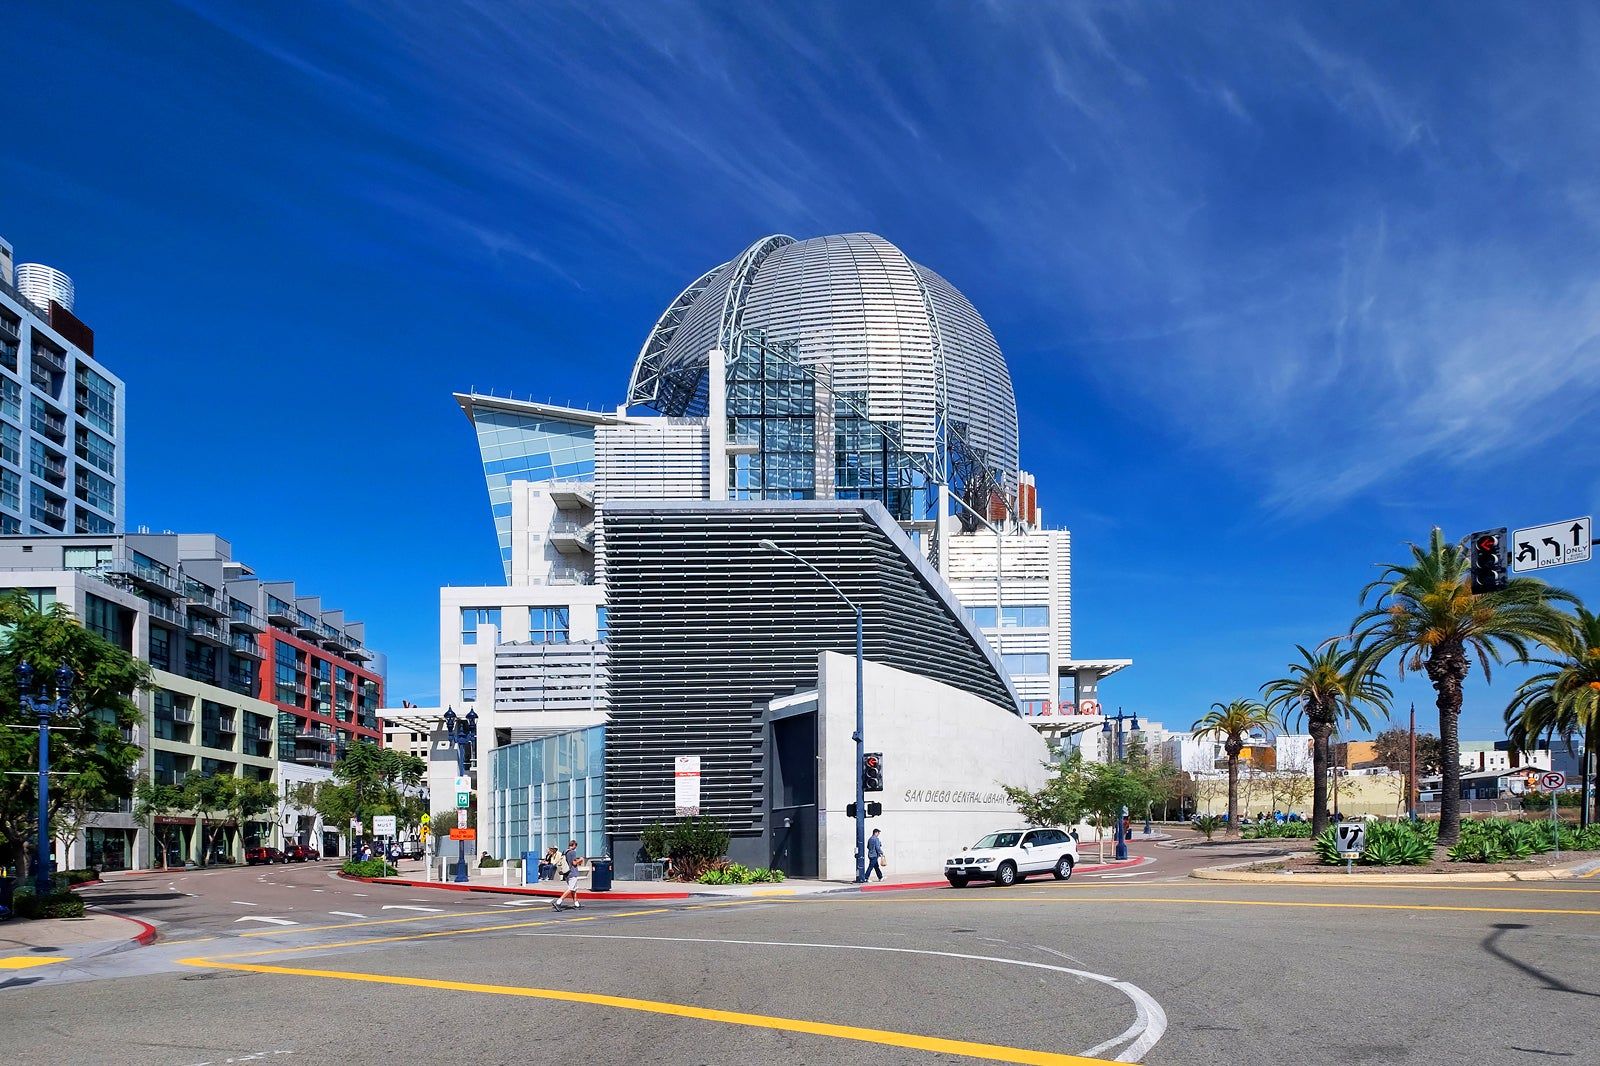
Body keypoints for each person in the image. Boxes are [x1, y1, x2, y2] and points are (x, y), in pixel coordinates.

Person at [553, 839, 584, 910]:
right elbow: (574, 863)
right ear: (573, 845)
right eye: (575, 846)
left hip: (566, 873)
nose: (576, 848)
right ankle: (558, 902)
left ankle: (576, 904)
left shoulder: (565, 851)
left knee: (574, 889)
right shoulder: (572, 852)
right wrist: (580, 859)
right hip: (572, 872)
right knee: (571, 888)